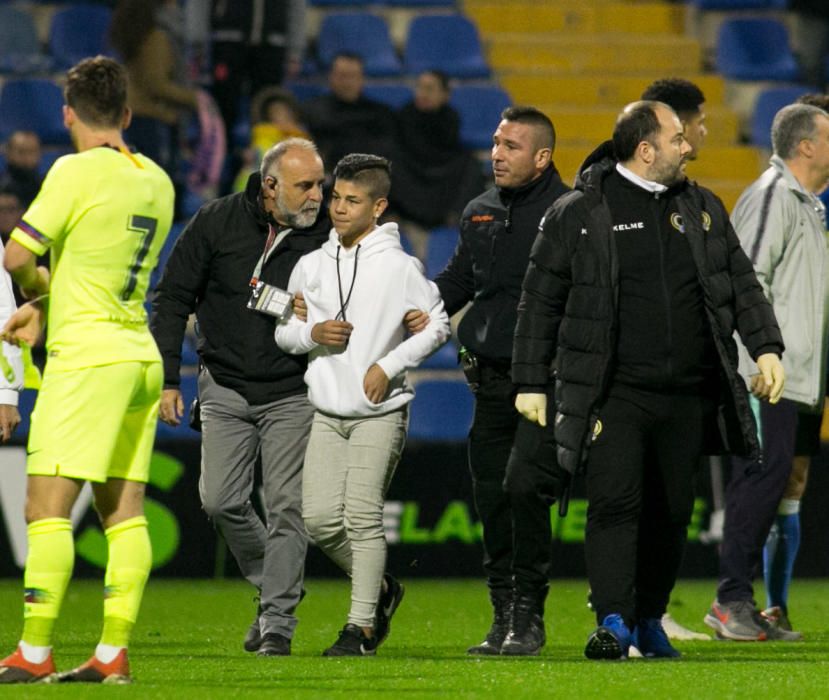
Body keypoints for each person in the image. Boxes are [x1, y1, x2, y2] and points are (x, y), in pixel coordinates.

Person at [512, 100, 785, 660]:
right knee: (615, 504)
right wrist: (530, 380)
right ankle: (613, 620)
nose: (687, 147)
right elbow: (538, 302)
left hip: (687, 393)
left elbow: (742, 284)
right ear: (646, 149)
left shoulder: (703, 207)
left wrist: (767, 347)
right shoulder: (581, 211)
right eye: (677, 138)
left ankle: (650, 618)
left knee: (672, 513)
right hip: (615, 392)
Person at [0, 55, 175, 684]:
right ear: (127, 114)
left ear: (68, 114)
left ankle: (34, 652)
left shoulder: (72, 170)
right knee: (124, 513)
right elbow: (99, 266)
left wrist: (36, 294)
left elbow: (18, 252)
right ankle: (110, 655)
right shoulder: (157, 178)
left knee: (44, 508)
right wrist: (51, 301)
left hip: (88, 359)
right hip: (139, 358)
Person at [150, 137, 328, 657]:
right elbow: (172, 296)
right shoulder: (217, 221)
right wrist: (168, 378)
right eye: (306, 185)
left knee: (285, 506)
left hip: (294, 390)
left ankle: (278, 620)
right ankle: (276, 582)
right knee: (220, 501)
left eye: (320, 183)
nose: (319, 195)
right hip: (224, 384)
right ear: (270, 186)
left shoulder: (329, 237)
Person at [275, 153, 450, 656]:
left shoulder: (400, 267)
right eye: (335, 197)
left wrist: (388, 364)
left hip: (381, 410)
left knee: (361, 517)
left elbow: (437, 323)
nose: (339, 208)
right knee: (319, 520)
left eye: (352, 200)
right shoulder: (310, 265)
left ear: (379, 207)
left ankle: (361, 628)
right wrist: (311, 332)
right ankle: (380, 588)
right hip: (327, 412)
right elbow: (285, 334)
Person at [430, 106, 570, 656]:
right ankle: (503, 613)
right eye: (495, 141)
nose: (496, 153)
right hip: (488, 379)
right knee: (491, 495)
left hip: (547, 380)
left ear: (542, 157)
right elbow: (461, 279)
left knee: (523, 486)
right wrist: (411, 309)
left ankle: (529, 614)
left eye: (511, 145)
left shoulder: (571, 213)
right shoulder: (481, 210)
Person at [704, 103, 829, 642]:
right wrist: (755, 360)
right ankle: (730, 600)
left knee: (777, 479)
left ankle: (750, 603)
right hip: (767, 373)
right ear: (806, 145)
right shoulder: (773, 196)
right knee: (760, 476)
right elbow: (743, 279)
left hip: (798, 373)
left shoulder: (809, 205)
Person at [639, 77, 714, 644]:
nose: (701, 137)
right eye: (695, 126)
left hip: (681, 381)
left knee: (666, 500)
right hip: (632, 382)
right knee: (637, 497)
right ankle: (628, 608)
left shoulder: (697, 201)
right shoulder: (606, 196)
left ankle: (645, 608)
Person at [388, 70, 482, 240]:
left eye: (430, 89)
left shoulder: (450, 118)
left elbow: (448, 151)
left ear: (445, 94)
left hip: (442, 175)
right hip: (411, 173)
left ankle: (454, 217)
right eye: (420, 87)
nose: (423, 93)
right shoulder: (404, 115)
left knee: (471, 164)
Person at [109, 0, 198, 176]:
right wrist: (197, 99)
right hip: (155, 120)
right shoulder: (156, 37)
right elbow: (157, 85)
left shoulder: (138, 32)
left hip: (137, 117)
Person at [210, 0, 306, 146]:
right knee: (223, 106)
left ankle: (261, 158)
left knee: (267, 109)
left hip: (272, 44)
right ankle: (222, 159)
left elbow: (296, 5)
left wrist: (295, 51)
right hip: (227, 43)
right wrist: (196, 42)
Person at [301, 54, 396, 171]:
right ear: (331, 77)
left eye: (353, 76)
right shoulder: (312, 111)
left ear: (362, 79)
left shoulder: (381, 114)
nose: (347, 82)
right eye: (342, 76)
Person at [232, 87, 310, 192]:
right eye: (276, 113)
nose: (282, 116)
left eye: (285, 112)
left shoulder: (302, 136)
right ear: (269, 116)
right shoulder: (262, 133)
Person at [0, 131, 42, 207]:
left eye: (32, 152)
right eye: (21, 152)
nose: (27, 158)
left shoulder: (45, 186)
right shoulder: (2, 186)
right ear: (8, 153)